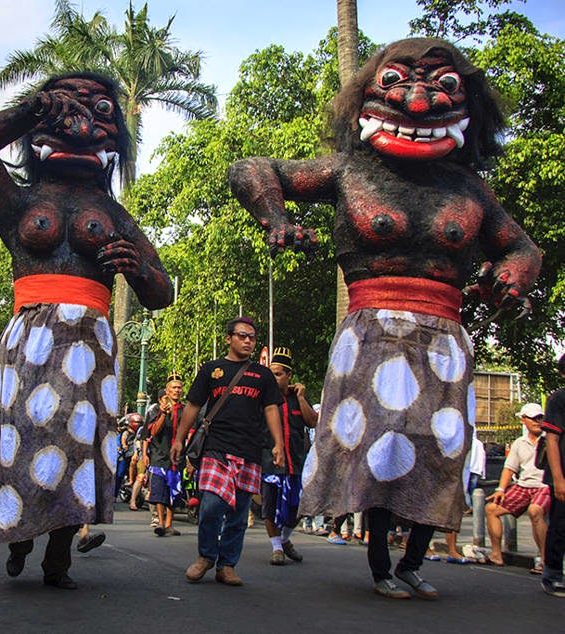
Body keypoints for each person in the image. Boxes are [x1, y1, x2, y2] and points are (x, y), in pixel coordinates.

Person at [228, 38, 542, 600]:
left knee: (440, 451)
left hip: (444, 341)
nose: (419, 102)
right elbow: (252, 168)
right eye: (396, 82)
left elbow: (522, 248)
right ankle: (379, 564)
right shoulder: (349, 170)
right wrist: (276, 218)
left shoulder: (471, 189)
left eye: (444, 85)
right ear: (365, 100)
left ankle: (414, 561)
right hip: (371, 335)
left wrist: (511, 277)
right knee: (380, 446)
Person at [0, 71, 173, 589]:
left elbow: (161, 292)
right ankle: (18, 534)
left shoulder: (114, 214)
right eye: (67, 106)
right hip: (29, 338)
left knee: (76, 447)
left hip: (88, 345)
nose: (82, 123)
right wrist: (32, 109)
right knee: (24, 437)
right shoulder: (17, 201)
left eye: (100, 111)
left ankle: (58, 559)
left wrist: (137, 269)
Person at [169, 316, 285, 586]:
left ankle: (227, 565)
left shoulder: (263, 375)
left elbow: (271, 409)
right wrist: (179, 440)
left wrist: (278, 443)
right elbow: (193, 406)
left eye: (252, 337)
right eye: (242, 336)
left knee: (239, 514)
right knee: (211, 506)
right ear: (228, 339)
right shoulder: (211, 370)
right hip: (216, 448)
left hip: (250, 450)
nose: (248, 341)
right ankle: (205, 556)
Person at [261, 348, 317, 565]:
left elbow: (312, 422)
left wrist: (301, 398)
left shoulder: (297, 398)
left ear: (289, 375)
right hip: (270, 462)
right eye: (271, 374)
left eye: (278, 374)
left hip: (296, 463)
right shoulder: (263, 399)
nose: (274, 378)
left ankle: (285, 539)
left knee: (297, 508)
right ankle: (276, 547)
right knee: (269, 507)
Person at [485, 403, 551, 568]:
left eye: (540, 418)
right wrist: (500, 489)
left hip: (544, 485)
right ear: (523, 420)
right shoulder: (519, 443)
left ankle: (545, 560)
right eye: (533, 418)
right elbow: (509, 468)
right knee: (491, 509)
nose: (537, 422)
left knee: (535, 511)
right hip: (523, 485)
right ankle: (496, 554)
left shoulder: (550, 440)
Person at [145, 377, 186, 537]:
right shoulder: (156, 410)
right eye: (173, 388)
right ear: (167, 391)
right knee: (160, 491)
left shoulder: (185, 410)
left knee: (174, 491)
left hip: (177, 457)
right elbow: (153, 432)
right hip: (160, 455)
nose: (176, 390)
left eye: (179, 388)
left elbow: (190, 433)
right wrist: (163, 414)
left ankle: (169, 524)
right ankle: (161, 522)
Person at [539, 353, 565, 597]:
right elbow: (552, 440)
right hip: (562, 473)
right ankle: (552, 574)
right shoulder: (559, 399)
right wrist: (558, 479)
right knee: (559, 524)